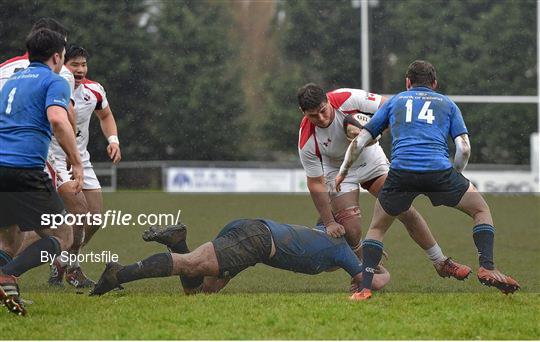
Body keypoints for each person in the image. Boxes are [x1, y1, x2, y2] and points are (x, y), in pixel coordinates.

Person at [335, 60, 520, 301]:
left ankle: (364, 288)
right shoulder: (447, 104)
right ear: (434, 83)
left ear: (407, 82)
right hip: (439, 172)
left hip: (401, 173)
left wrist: (343, 171)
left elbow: (360, 141)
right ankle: (487, 266)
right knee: (481, 209)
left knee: (378, 227)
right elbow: (463, 148)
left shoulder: (395, 101)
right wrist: (456, 174)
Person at [297, 84, 470, 280]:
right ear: (302, 112)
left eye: (323, 111)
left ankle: (440, 262)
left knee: (404, 209)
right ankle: (370, 269)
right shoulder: (307, 139)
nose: (321, 118)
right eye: (313, 116)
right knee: (351, 230)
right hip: (338, 171)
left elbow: (393, 108)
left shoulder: (347, 98)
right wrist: (329, 222)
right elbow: (315, 183)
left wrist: (373, 132)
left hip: (370, 159)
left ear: (328, 101)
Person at [0, 28, 83, 316]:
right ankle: (7, 276)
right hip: (25, 169)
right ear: (58, 56)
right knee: (62, 236)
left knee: (9, 240)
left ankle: (5, 281)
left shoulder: (12, 81)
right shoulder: (54, 80)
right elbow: (58, 120)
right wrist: (77, 160)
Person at [90, 219, 391, 296]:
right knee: (191, 265)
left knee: (200, 291)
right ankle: (119, 273)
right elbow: (372, 285)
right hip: (257, 240)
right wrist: (383, 270)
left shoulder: (330, 235)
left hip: (255, 239)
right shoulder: (342, 249)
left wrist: (369, 259)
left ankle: (178, 242)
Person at [43, 45, 121, 288]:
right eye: (74, 64)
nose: (79, 69)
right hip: (54, 158)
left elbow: (106, 116)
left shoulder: (94, 91)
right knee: (77, 213)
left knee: (95, 219)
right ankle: (70, 267)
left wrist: (113, 140)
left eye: (83, 64)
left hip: (81, 159)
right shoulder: (51, 87)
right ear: (63, 65)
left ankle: (62, 260)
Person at [0, 18, 77, 132]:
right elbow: (66, 113)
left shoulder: (3, 67)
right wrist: (74, 140)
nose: (65, 51)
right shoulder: (62, 73)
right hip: (36, 143)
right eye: (63, 44)